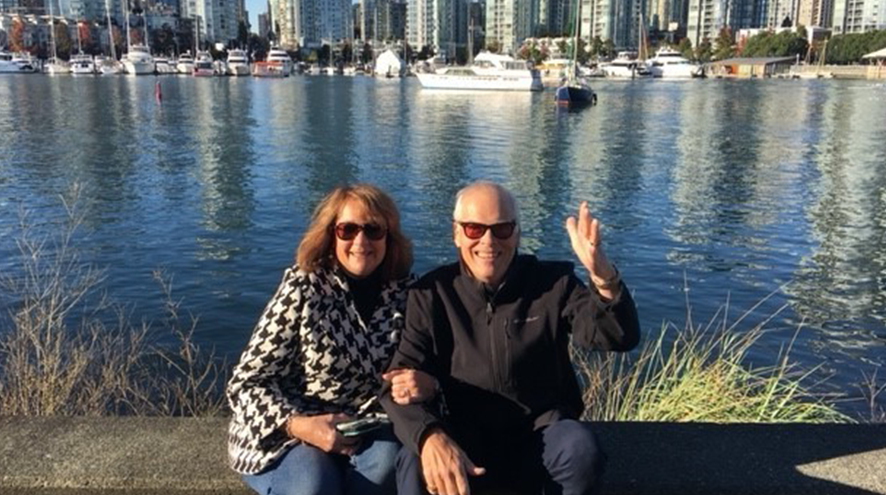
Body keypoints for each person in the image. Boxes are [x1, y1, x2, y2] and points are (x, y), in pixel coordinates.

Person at [381, 181, 641, 495]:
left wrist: (604, 279)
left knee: (580, 449)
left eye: (501, 229)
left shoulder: (553, 283)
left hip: (538, 435)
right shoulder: (432, 293)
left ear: (516, 233)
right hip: (463, 437)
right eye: (475, 229)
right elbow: (396, 386)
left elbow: (616, 336)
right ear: (457, 234)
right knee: (415, 458)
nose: (489, 241)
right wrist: (429, 435)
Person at [227, 184, 437, 495]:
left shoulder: (408, 293)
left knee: (385, 467)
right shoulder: (304, 288)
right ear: (330, 235)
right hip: (291, 429)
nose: (361, 241)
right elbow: (245, 383)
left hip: (368, 427)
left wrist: (426, 382)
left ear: (389, 237)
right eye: (348, 230)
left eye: (374, 230)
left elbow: (432, 367)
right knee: (313, 484)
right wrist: (298, 425)